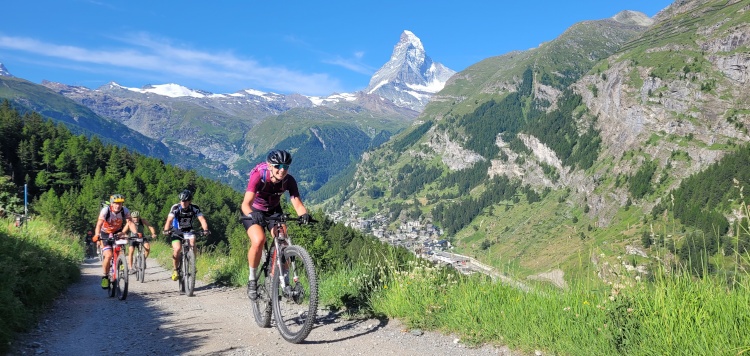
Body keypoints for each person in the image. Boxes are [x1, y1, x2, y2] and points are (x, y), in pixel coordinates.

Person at [241, 149, 311, 300]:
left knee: (283, 240)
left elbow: (297, 202)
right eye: (278, 166)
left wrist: (303, 214)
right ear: (270, 166)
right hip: (253, 211)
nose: (282, 170)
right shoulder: (259, 176)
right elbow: (245, 204)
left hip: (273, 211)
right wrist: (253, 214)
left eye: (286, 166)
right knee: (259, 240)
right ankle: (252, 279)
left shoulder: (289, 180)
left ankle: (281, 280)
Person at [162, 189, 209, 281]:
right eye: (182, 200)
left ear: (190, 201)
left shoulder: (194, 208)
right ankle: (175, 270)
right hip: (176, 231)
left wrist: (205, 230)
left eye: (185, 201)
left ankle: (192, 264)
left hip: (189, 230)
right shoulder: (175, 207)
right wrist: (166, 230)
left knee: (193, 244)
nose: (183, 203)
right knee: (177, 249)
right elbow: (169, 220)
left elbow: (202, 220)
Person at [93, 194, 136, 289]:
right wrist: (97, 235)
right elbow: (99, 224)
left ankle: (120, 263)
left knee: (120, 250)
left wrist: (136, 233)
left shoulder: (125, 210)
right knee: (108, 255)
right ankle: (105, 276)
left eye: (120, 203)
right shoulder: (105, 210)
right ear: (111, 204)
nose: (118, 205)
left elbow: (130, 223)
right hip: (105, 233)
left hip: (117, 232)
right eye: (116, 203)